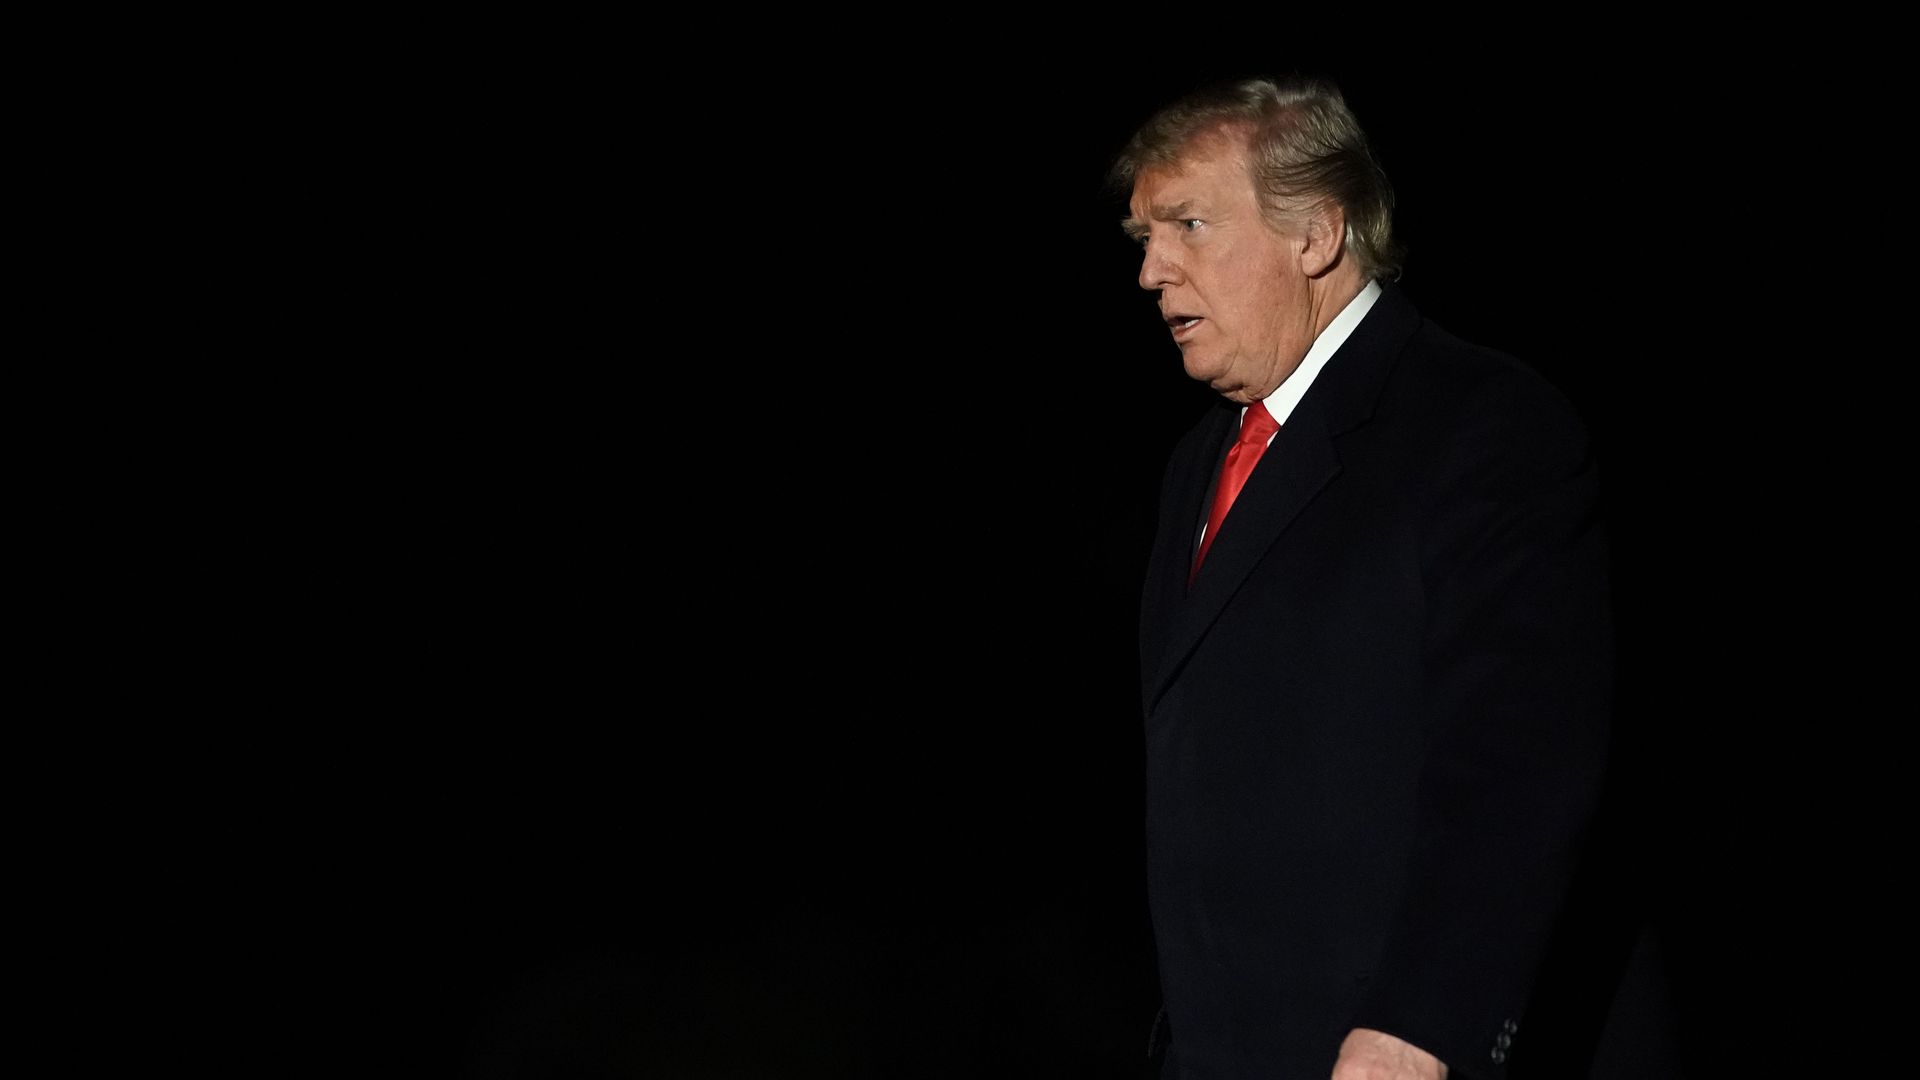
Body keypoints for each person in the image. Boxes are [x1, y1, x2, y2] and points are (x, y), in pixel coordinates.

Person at [1117, 77, 1612, 1080]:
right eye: (1143, 237)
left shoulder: (1484, 425)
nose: (1152, 270)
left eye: (1190, 225)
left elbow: (1519, 764)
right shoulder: (1197, 463)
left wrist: (1419, 1030)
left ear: (1315, 236)